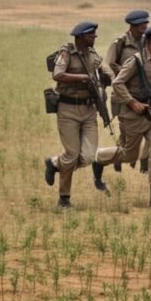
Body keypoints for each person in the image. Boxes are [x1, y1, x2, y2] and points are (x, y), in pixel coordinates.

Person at [92, 26, 151, 207]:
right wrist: (132, 102)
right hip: (133, 115)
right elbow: (118, 83)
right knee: (129, 155)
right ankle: (99, 158)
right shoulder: (136, 61)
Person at [44, 22, 107, 209]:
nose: (94, 38)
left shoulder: (93, 55)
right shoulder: (67, 54)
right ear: (80, 37)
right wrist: (83, 78)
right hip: (68, 109)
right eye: (90, 36)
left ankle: (55, 163)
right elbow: (58, 74)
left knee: (87, 156)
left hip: (89, 111)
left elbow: (102, 71)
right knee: (72, 155)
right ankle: (64, 199)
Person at [106, 9, 149, 172]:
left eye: (145, 23)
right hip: (123, 94)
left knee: (143, 130)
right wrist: (118, 78)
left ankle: (133, 159)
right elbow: (107, 66)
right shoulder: (121, 43)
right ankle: (119, 158)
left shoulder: (147, 42)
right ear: (132, 26)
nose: (144, 27)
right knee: (125, 131)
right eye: (140, 25)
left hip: (143, 93)